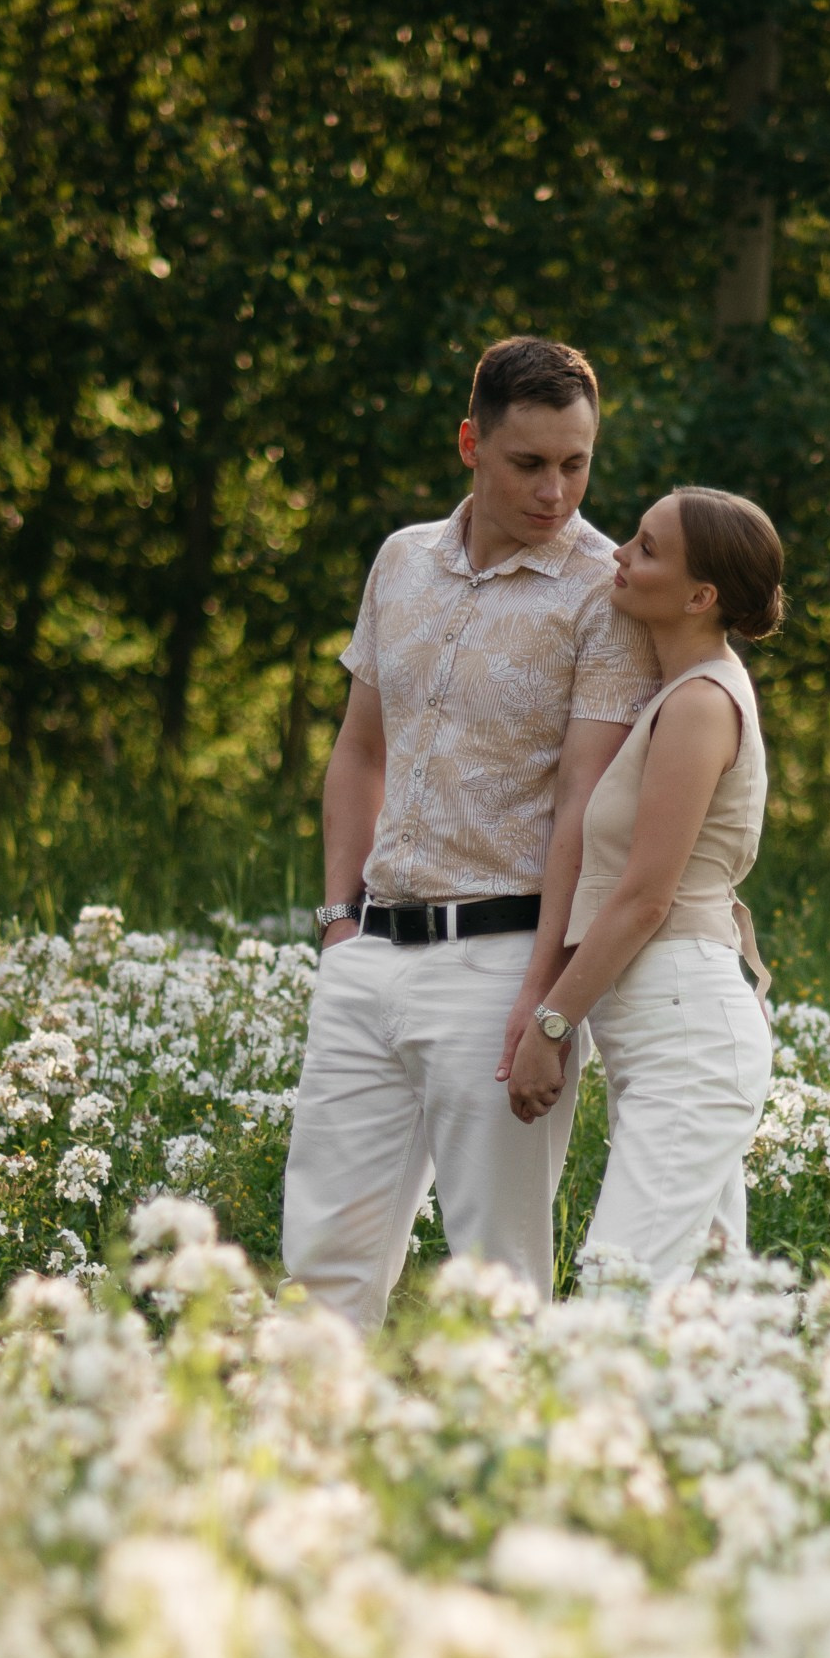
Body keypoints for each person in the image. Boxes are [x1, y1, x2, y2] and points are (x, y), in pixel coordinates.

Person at [281, 335, 658, 1331]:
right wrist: (337, 924)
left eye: (576, 463)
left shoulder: (607, 592)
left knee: (495, 1283)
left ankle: (503, 1480)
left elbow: (587, 804)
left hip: (502, 960)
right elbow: (360, 752)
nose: (556, 491)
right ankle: (304, 1472)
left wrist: (544, 1005)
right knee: (321, 1264)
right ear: (469, 444)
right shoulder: (400, 561)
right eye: (529, 463)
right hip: (370, 952)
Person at [504, 487, 781, 1290]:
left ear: (701, 598)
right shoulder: (681, 692)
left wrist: (550, 1026)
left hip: (689, 1039)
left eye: (648, 548)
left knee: (615, 1294)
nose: (620, 553)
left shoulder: (701, 703)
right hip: (673, 1033)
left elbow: (645, 897)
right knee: (707, 1312)